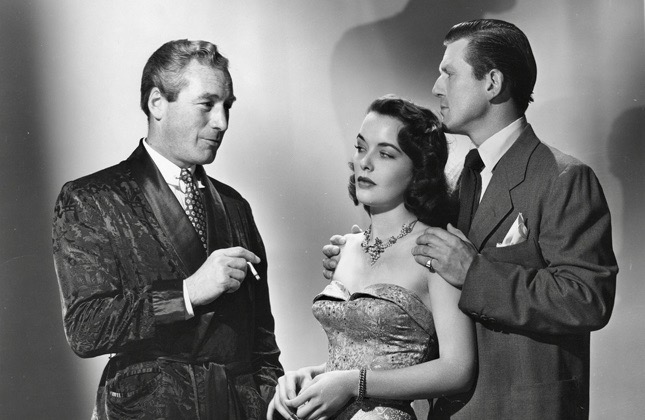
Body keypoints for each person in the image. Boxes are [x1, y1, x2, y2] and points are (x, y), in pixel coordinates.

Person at [324, 19, 617, 419]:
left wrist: (474, 273)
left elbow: (587, 299)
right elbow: (424, 274)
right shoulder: (464, 179)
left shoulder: (563, 178)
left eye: (449, 73)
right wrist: (366, 258)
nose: (436, 87)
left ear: (492, 83)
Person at [52, 39, 283, 419]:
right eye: (206, 104)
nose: (222, 122)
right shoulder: (92, 198)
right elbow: (86, 328)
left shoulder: (235, 206)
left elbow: (263, 345)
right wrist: (187, 293)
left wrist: (269, 400)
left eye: (227, 106)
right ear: (157, 103)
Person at [268, 95, 476, 420]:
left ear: (419, 170)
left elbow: (457, 369)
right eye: (361, 147)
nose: (365, 163)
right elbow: (361, 353)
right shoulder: (346, 247)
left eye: (386, 154)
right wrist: (311, 376)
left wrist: (354, 384)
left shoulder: (436, 249)